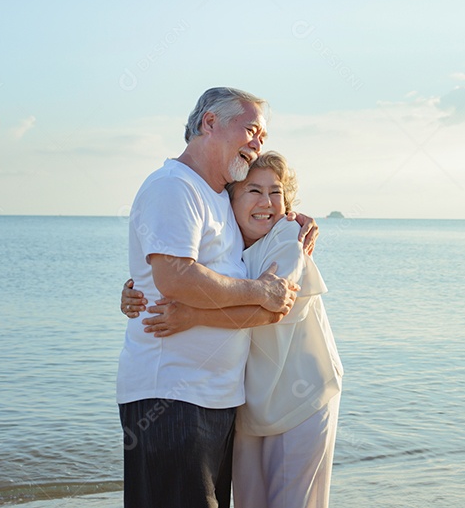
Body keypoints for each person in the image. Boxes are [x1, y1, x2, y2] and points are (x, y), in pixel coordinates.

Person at [117, 88, 318, 508]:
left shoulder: (218, 197)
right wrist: (259, 291)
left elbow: (233, 262)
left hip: (217, 400)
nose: (258, 143)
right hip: (171, 394)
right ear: (210, 123)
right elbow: (174, 276)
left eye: (262, 136)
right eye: (251, 130)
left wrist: (295, 223)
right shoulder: (174, 187)